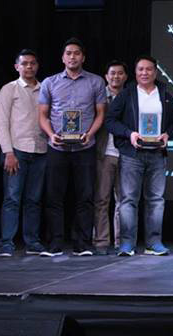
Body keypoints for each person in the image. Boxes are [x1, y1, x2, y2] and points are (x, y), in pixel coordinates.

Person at [38, 38, 107, 257]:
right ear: (62, 57)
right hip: (57, 147)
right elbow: (42, 115)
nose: (72, 57)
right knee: (53, 197)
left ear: (83, 57)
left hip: (84, 147)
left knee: (84, 197)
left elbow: (100, 114)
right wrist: (51, 135)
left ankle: (82, 244)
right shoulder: (50, 82)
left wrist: (90, 134)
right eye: (68, 53)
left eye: (77, 53)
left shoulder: (96, 82)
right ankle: (55, 243)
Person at [105, 56, 173, 256]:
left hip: (157, 155)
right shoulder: (127, 94)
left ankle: (153, 243)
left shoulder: (164, 95)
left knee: (156, 200)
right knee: (129, 199)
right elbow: (110, 121)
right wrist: (130, 134)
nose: (145, 73)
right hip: (132, 155)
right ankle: (127, 243)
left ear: (155, 72)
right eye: (140, 69)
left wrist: (167, 135)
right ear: (135, 73)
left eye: (149, 69)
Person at [0, 49, 48, 257]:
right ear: (17, 66)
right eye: (24, 63)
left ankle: (32, 242)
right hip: (16, 150)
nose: (29, 67)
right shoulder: (9, 89)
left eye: (33, 63)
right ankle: (6, 243)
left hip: (41, 150)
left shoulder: (46, 88)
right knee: (12, 198)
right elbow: (1, 123)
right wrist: (7, 152)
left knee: (34, 199)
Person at [93, 60, 128, 255]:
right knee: (101, 200)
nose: (116, 76)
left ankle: (121, 241)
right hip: (103, 154)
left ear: (125, 77)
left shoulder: (131, 98)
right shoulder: (98, 97)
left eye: (120, 73)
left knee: (123, 201)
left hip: (126, 155)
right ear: (106, 76)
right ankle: (101, 241)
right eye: (112, 73)